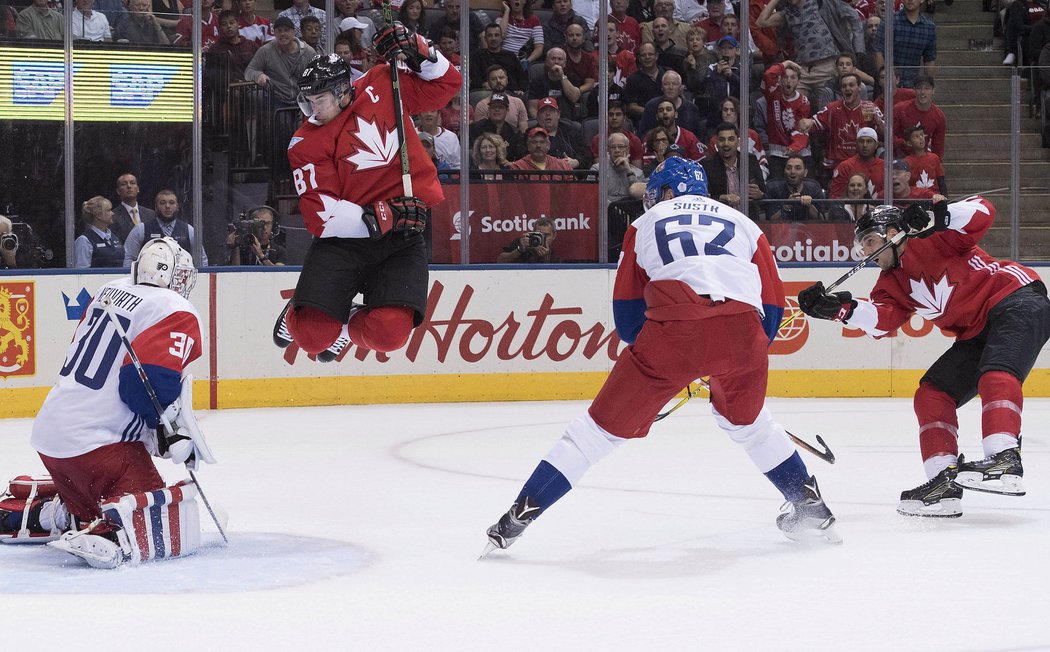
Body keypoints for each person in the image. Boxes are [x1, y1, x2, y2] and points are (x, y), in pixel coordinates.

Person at [482, 156, 840, 557]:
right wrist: (730, 357)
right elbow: (772, 311)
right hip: (744, 336)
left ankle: (517, 518)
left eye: (656, 194)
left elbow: (628, 316)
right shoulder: (745, 223)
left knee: (591, 436)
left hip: (674, 333)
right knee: (751, 426)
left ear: (668, 192)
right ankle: (810, 506)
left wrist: (672, 362)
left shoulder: (642, 225)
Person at [797, 199, 1050, 517]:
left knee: (995, 372)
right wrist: (839, 309)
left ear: (892, 233)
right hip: (975, 332)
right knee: (932, 394)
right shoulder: (889, 284)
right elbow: (883, 322)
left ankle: (1004, 456)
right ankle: (942, 483)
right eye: (862, 247)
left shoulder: (932, 236)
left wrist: (937, 215)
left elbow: (985, 212)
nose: (866, 253)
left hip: (1016, 299)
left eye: (870, 242)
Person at [0, 237, 213, 568]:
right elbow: (143, 388)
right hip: (98, 446)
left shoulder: (108, 290)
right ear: (170, 275)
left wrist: (158, 432)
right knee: (153, 521)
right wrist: (167, 431)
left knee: (98, 502)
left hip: (52, 437)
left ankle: (38, 515)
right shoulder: (175, 309)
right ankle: (109, 532)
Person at [272, 26, 461, 363]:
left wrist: (419, 50)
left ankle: (344, 328)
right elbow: (321, 217)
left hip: (401, 239)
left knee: (388, 335)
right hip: (344, 243)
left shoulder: (381, 83)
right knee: (312, 337)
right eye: (308, 100)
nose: (313, 108)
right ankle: (298, 313)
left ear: (344, 90)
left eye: (321, 99)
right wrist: (385, 215)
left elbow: (447, 85)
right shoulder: (305, 142)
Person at [245, 16, 317, 108]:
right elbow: (249, 71)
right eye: (279, 31)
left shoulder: (308, 52)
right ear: (274, 33)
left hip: (304, 100)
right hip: (278, 99)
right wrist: (258, 75)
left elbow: (317, 76)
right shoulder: (265, 50)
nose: (282, 34)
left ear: (293, 32)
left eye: (286, 30)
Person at [123, 190, 209, 267]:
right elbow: (129, 258)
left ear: (177, 206)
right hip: (148, 282)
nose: (167, 206)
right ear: (156, 207)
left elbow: (202, 260)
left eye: (171, 203)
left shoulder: (189, 230)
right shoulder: (141, 229)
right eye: (162, 203)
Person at [702, 121, 766, 219]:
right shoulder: (707, 165)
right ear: (717, 143)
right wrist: (722, 197)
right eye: (722, 140)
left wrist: (760, 195)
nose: (726, 144)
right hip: (720, 220)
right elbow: (703, 197)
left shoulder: (750, 161)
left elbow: (765, 194)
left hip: (748, 220)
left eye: (731, 139)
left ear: (738, 142)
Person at [760, 60, 811, 181]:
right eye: (785, 77)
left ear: (798, 81)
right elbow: (768, 75)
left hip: (800, 153)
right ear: (779, 79)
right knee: (777, 189)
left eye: (793, 78)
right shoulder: (772, 93)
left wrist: (794, 147)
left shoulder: (804, 102)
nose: (788, 81)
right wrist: (785, 64)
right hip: (777, 152)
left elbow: (802, 129)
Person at [873, 0, 936, 88]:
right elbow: (878, 51)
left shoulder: (929, 27)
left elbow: (929, 60)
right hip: (888, 84)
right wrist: (884, 78)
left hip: (913, 85)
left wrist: (928, 86)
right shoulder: (889, 21)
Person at [891, 74, 946, 159]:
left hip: (922, 157)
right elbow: (890, 136)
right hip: (898, 156)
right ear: (914, 90)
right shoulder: (900, 109)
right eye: (919, 88)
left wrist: (936, 166)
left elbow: (938, 147)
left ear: (933, 91)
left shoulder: (939, 116)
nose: (923, 92)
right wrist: (905, 142)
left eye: (927, 88)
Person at [533, 96, 590, 168]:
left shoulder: (571, 131)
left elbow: (586, 153)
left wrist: (576, 162)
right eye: (544, 111)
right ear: (538, 116)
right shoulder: (530, 134)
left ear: (558, 114)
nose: (548, 114)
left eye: (551, 110)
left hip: (569, 174)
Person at [764, 154, 824, 221]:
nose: (792, 172)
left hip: (807, 230)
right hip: (782, 230)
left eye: (798, 168)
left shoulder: (814, 188)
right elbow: (770, 222)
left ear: (805, 172)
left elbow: (823, 220)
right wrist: (787, 206)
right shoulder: (774, 188)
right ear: (784, 171)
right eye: (789, 168)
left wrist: (809, 205)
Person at [830, 127, 884, 198]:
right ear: (856, 143)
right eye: (861, 141)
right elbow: (835, 197)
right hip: (851, 208)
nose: (865, 145)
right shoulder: (845, 166)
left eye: (869, 141)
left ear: (876, 145)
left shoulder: (885, 166)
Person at [468, 92, 524, 161]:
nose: (497, 110)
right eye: (494, 107)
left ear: (507, 110)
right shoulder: (475, 128)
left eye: (501, 107)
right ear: (489, 110)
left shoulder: (514, 132)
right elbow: (470, 152)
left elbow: (520, 157)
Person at [471, 25, 526, 93]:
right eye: (490, 35)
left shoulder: (511, 56)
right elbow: (474, 78)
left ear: (501, 38)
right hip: (486, 92)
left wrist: (521, 90)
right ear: (485, 38)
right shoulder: (477, 56)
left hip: (510, 93)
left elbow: (522, 78)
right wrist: (483, 84)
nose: (493, 38)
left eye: (496, 35)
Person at [73, 196, 125, 268]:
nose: (112, 213)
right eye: (108, 210)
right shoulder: (84, 240)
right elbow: (82, 273)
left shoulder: (114, 237)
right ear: (98, 215)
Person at [211, 9, 261, 82]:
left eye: (231, 23)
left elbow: (261, 67)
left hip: (251, 88)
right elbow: (212, 75)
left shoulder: (251, 45)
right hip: (226, 90)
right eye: (224, 24)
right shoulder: (215, 49)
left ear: (238, 24)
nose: (229, 26)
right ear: (220, 27)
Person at [508, 126, 575, 178]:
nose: (538, 146)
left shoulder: (563, 166)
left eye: (542, 142)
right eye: (534, 142)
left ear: (548, 145)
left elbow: (573, 191)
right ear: (528, 146)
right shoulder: (518, 167)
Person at [112, 172, 156, 243]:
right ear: (118, 191)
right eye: (124, 184)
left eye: (132, 183)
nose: (129, 186)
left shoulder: (151, 214)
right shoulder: (113, 216)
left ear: (138, 189)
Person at [499, 0, 544, 70]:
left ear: (525, 1)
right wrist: (507, 11)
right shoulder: (503, 17)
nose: (517, 1)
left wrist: (527, 61)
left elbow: (539, 48)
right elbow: (500, 36)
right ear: (509, 2)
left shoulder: (534, 20)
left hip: (522, 59)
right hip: (503, 58)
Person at [903, 125, 946, 194]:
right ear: (909, 143)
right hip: (916, 198)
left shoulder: (934, 158)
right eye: (916, 137)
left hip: (935, 197)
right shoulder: (906, 162)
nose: (921, 138)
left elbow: (941, 180)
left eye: (922, 135)